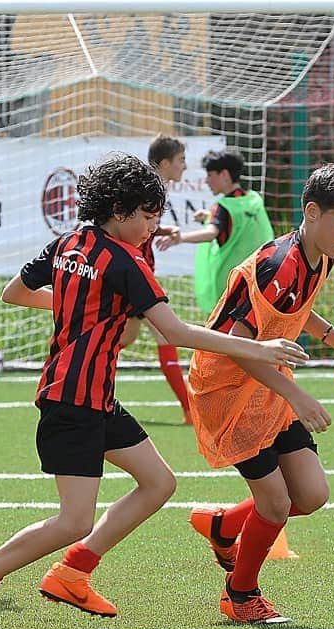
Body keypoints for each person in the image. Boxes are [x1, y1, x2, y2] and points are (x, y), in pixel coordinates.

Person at [0, 153, 309, 629]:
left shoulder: (70, 242)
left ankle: (73, 572)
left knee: (158, 482)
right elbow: (173, 332)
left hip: (93, 398)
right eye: (148, 215)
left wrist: (83, 304)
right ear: (118, 208)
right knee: (73, 519)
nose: (154, 227)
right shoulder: (124, 259)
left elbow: (14, 292)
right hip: (74, 402)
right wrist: (257, 346)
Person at [186, 163, 334, 624]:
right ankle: (241, 594)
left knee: (309, 496)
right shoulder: (278, 263)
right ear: (311, 213)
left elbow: (298, 308)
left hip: (265, 382)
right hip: (227, 387)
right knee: (274, 502)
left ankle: (222, 525)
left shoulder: (321, 253)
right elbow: (239, 346)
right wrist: (297, 396)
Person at [119, 134, 191, 424]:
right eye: (181, 161)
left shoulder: (153, 190)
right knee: (166, 332)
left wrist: (163, 230)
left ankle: (190, 410)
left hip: (139, 271)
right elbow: (128, 226)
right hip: (136, 273)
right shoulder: (150, 190)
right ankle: (190, 410)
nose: (184, 167)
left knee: (127, 336)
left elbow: (141, 224)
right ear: (164, 163)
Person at [157, 148, 275, 315]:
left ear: (224, 175)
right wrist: (208, 217)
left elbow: (211, 233)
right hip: (261, 279)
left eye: (210, 175)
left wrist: (180, 238)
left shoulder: (223, 207)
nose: (206, 181)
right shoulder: (253, 199)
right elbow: (238, 222)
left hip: (232, 286)